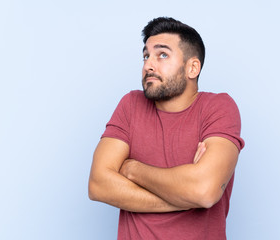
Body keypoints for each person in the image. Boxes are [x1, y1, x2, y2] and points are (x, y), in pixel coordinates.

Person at [88, 17, 245, 240]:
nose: (148, 65)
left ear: (192, 68)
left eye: (162, 55)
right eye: (146, 56)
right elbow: (98, 184)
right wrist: (183, 197)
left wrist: (133, 170)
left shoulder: (218, 107)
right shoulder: (131, 105)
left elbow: (204, 190)